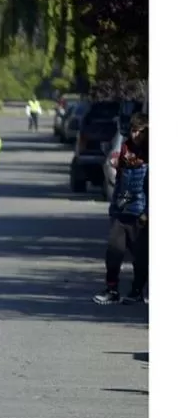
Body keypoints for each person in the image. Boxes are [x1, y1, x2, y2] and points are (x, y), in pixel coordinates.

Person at [93, 113, 149, 305]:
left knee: (141, 258)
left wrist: (147, 213)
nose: (135, 136)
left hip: (141, 214)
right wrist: (115, 206)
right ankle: (111, 289)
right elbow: (119, 182)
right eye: (132, 131)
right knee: (114, 251)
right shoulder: (125, 151)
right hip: (122, 211)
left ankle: (137, 290)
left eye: (139, 132)